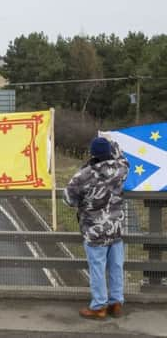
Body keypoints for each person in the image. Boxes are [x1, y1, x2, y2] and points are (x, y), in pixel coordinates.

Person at [64, 135, 130, 320]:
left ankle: (99, 306)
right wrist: (113, 144)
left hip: (94, 231)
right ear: (110, 152)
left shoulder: (83, 175)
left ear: (92, 154)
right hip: (115, 228)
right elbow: (123, 158)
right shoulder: (121, 169)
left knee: (97, 269)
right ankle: (116, 303)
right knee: (116, 266)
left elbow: (68, 199)